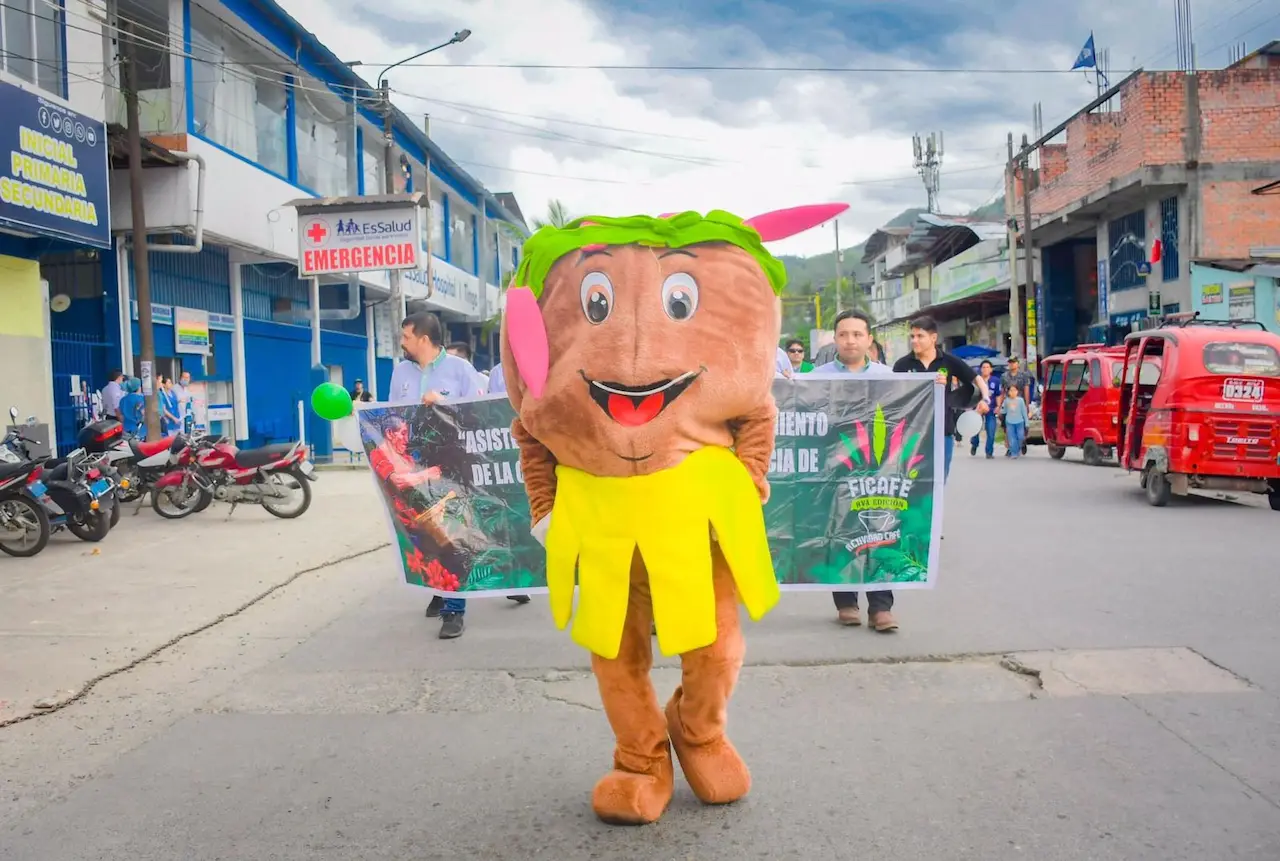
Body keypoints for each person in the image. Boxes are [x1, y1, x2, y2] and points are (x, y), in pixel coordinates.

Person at [389, 313, 528, 637]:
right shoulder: (401, 373)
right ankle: (441, 589)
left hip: (454, 461)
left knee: (456, 527)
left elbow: (479, 413)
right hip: (416, 463)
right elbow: (393, 415)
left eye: (407, 336)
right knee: (427, 527)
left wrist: (443, 401)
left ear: (424, 339)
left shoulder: (460, 370)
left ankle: (455, 609)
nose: (402, 341)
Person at [813, 309, 899, 633]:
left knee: (881, 533)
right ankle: (846, 603)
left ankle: (881, 607)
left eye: (857, 334)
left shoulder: (888, 377)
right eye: (844, 334)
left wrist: (933, 386)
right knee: (840, 533)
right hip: (835, 473)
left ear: (869, 339)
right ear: (835, 339)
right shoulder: (817, 378)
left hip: (878, 473)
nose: (850, 340)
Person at [892, 315, 988, 480]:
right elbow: (892, 396)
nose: (915, 340)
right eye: (912, 336)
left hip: (943, 430)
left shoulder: (948, 361)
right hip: (911, 433)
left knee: (939, 481)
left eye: (920, 336)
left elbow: (977, 379)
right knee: (911, 481)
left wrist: (985, 400)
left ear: (933, 338)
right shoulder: (902, 365)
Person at [999, 356, 1036, 457]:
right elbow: (1002, 392)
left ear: (1018, 364)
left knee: (1021, 427)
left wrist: (1027, 405)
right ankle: (1010, 448)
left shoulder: (1023, 376)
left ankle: (1021, 442)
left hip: (1020, 403)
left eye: (1014, 362)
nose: (1012, 364)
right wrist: (1000, 406)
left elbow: (1026, 390)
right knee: (1007, 427)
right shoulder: (1004, 376)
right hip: (1008, 403)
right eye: (1010, 362)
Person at [969, 360, 1001, 459]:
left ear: (991, 369)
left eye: (987, 367)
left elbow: (998, 394)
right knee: (976, 429)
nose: (985, 369)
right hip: (978, 407)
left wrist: (998, 406)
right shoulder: (976, 380)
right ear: (980, 369)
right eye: (983, 367)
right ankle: (974, 443)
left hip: (990, 408)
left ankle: (989, 452)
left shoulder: (995, 381)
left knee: (991, 430)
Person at [1001, 384, 1029, 459]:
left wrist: (1027, 423)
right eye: (1011, 390)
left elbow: (1024, 412)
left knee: (1020, 437)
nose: (1013, 392)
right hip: (1009, 422)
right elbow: (1003, 411)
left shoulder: (1020, 400)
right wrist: (1000, 411)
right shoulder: (1006, 401)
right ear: (1008, 392)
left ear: (1017, 392)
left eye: (1014, 390)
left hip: (1020, 422)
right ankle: (1014, 452)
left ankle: (1019, 447)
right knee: (1012, 439)